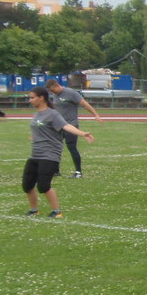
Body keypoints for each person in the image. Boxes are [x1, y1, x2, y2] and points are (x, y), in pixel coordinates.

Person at [22, 86, 95, 218]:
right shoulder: (38, 113)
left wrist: (82, 133)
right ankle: (34, 210)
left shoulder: (53, 114)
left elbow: (66, 126)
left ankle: (56, 212)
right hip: (36, 155)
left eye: (32, 97)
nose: (30, 100)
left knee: (43, 186)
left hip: (49, 155)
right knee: (27, 185)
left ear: (41, 98)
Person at [44, 79, 102, 178]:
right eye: (51, 91)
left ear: (57, 85)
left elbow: (84, 104)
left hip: (72, 124)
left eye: (53, 90)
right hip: (59, 125)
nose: (52, 92)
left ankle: (78, 172)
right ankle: (55, 171)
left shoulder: (71, 93)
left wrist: (95, 115)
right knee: (55, 147)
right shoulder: (55, 95)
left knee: (72, 148)